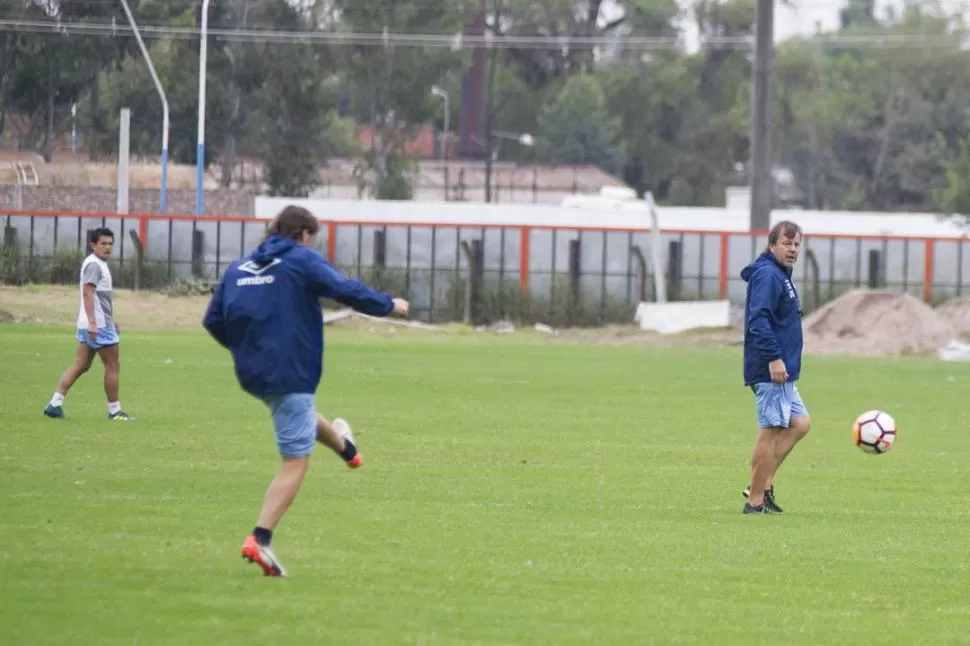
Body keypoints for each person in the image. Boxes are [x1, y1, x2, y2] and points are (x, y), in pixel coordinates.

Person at [202, 205, 410, 577]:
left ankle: (346, 448)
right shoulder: (300, 259)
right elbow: (343, 288)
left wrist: (249, 349)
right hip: (289, 371)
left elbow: (214, 321)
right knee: (295, 459)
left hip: (255, 373)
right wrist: (388, 305)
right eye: (313, 237)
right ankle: (260, 539)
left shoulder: (239, 269)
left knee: (295, 413)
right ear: (304, 234)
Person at [739, 220, 811, 515]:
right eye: (786, 243)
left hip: (784, 370)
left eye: (796, 245)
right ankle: (755, 501)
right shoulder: (768, 275)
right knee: (771, 431)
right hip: (772, 369)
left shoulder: (780, 274)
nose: (792, 249)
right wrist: (774, 358)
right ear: (772, 245)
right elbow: (759, 320)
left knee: (799, 424)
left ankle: (762, 481)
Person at [44, 227, 133, 421]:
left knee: (81, 365)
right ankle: (114, 411)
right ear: (93, 245)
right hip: (97, 326)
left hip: (90, 324)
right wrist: (95, 322)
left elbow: (101, 298)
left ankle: (54, 403)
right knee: (112, 366)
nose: (107, 247)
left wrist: (110, 319)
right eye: (103, 243)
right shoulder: (95, 265)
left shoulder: (96, 263)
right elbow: (88, 292)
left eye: (110, 244)